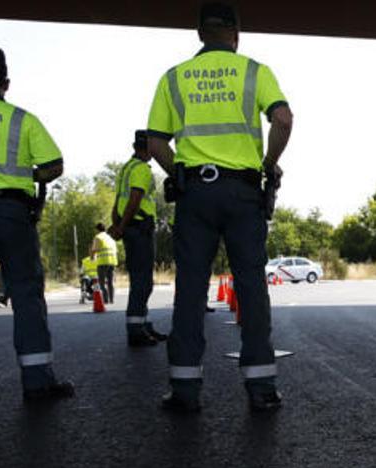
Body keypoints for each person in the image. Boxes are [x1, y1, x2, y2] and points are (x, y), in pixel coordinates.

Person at [147, 3, 293, 412]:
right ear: (236, 34)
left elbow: (156, 142)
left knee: (191, 289)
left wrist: (181, 174)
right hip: (244, 193)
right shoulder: (254, 71)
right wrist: (267, 165)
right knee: (251, 286)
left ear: (199, 34)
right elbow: (282, 120)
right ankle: (262, 387)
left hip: (195, 194)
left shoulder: (172, 78)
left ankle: (184, 388)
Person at [0, 47, 74, 402]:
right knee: (27, 294)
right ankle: (37, 382)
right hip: (11, 213)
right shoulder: (21, 120)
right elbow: (54, 166)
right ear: (6, 83)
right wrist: (29, 175)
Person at [108, 130, 166, 346]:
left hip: (129, 227)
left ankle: (144, 324)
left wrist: (117, 225)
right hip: (139, 227)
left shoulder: (126, 168)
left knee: (139, 278)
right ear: (149, 147)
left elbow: (118, 201)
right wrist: (121, 226)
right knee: (143, 281)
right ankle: (136, 330)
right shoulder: (141, 169)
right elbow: (134, 199)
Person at [90, 222, 118, 304]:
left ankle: (105, 299)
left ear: (97, 230)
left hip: (103, 262)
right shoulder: (111, 238)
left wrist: (92, 258)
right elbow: (116, 251)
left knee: (101, 283)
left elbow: (94, 250)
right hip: (112, 261)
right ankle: (111, 300)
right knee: (110, 282)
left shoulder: (98, 237)